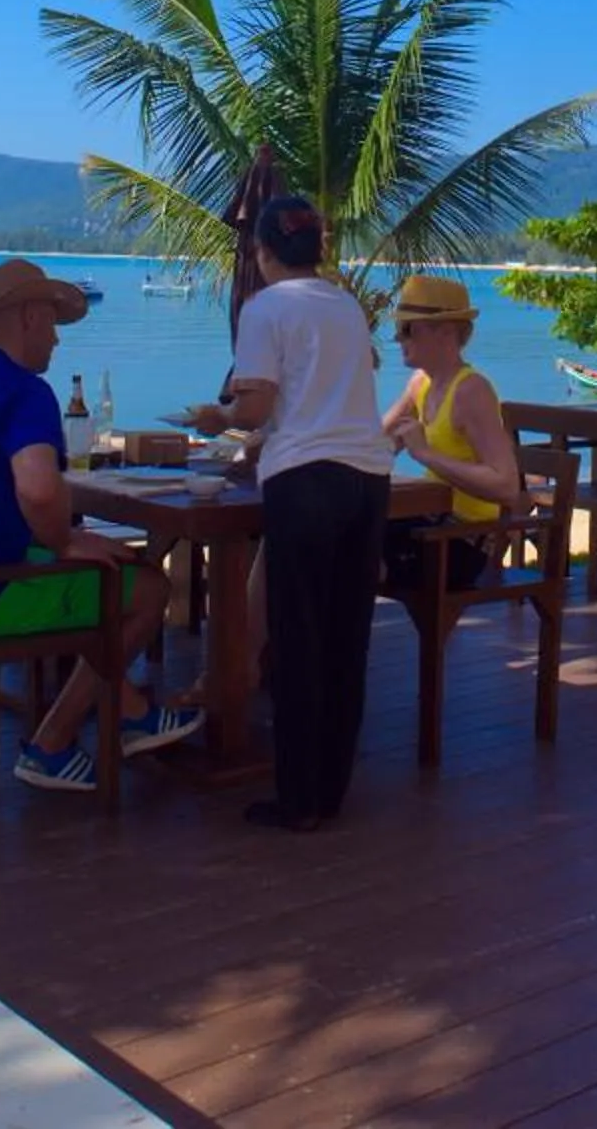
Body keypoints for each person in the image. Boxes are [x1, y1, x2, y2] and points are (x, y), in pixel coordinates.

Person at [0, 257, 199, 791]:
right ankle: (52, 743)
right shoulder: (23, 392)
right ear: (29, 317)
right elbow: (36, 486)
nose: (56, 340)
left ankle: (130, 711)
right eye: (52, 323)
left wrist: (59, 544)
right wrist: (64, 539)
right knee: (145, 588)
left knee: (89, 575)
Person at [181, 195, 389, 833]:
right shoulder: (346, 306)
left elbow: (255, 406)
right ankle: (331, 788)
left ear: (263, 251)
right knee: (345, 639)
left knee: (297, 639)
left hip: (306, 480)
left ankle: (298, 801)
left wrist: (217, 417)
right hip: (368, 478)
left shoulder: (264, 307)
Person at [378, 274, 528, 591]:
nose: (398, 339)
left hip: (461, 541)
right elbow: (375, 441)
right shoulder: (421, 383)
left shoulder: (471, 391)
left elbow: (506, 486)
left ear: (446, 332)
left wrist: (425, 454)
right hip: (428, 524)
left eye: (407, 329)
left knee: (349, 556)